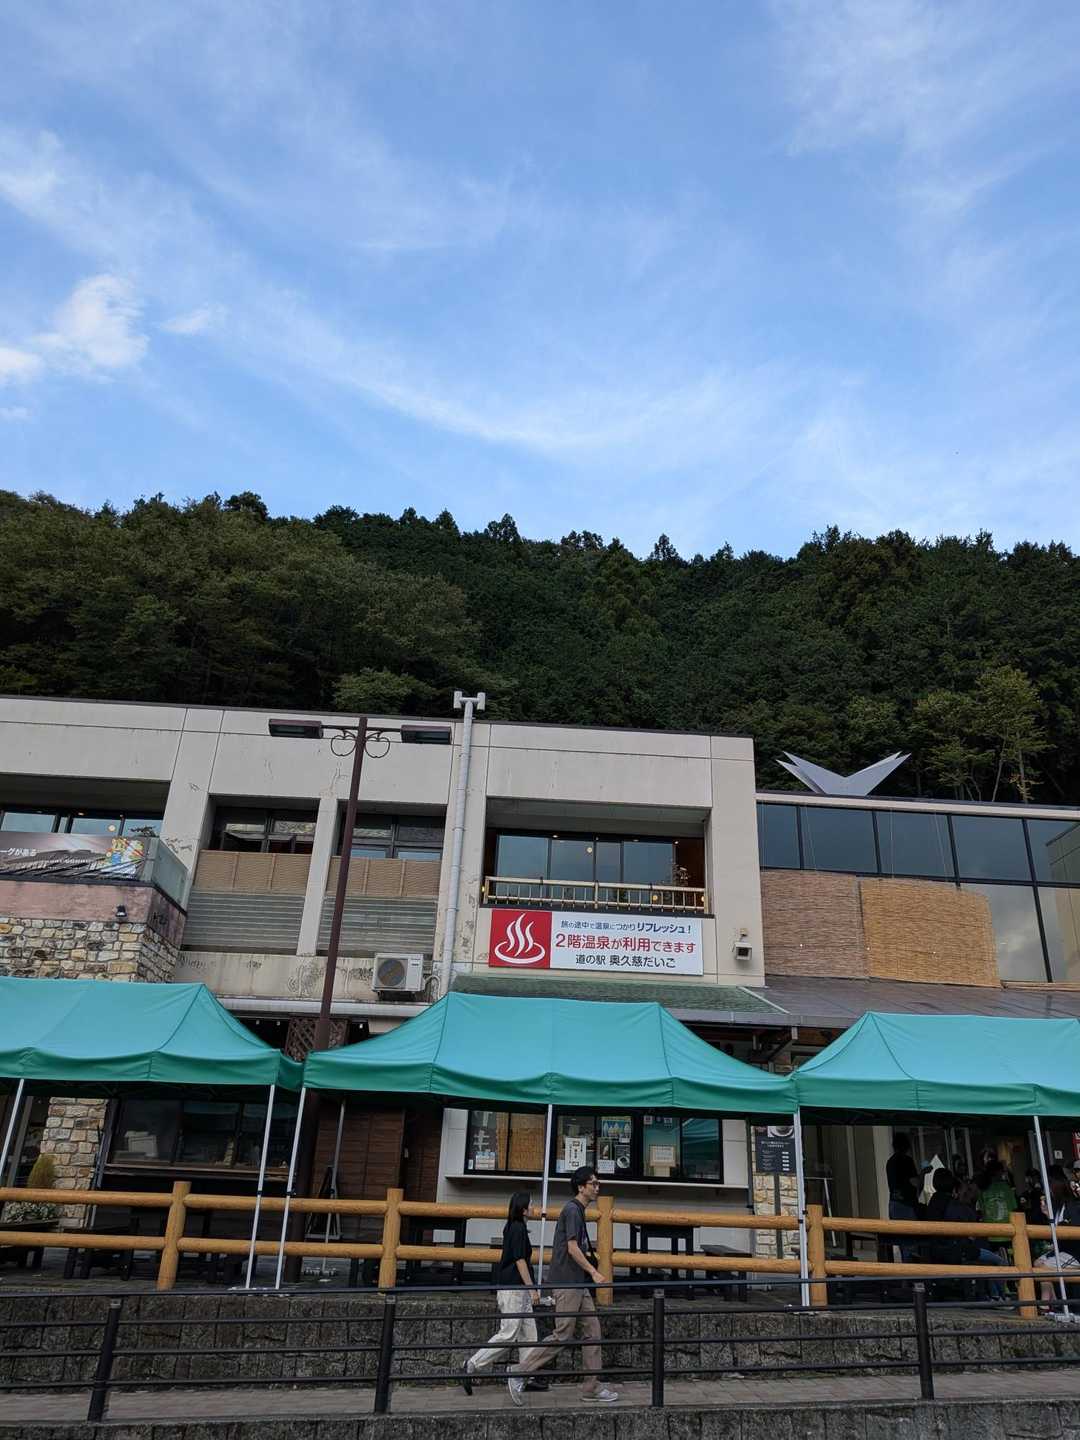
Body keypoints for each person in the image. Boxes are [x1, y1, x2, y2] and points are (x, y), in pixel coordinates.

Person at [508, 1167, 618, 1406]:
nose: (597, 1187)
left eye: (598, 1183)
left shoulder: (577, 1210)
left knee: (593, 1332)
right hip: (568, 1282)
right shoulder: (572, 1210)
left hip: (577, 1282)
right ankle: (519, 1371)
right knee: (563, 1334)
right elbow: (572, 1248)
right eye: (593, 1183)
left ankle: (591, 1387)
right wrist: (594, 1272)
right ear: (581, 1187)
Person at [462, 1191, 545, 1395]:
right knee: (509, 1333)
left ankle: (525, 1376)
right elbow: (520, 1260)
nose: (534, 1207)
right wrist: (532, 1289)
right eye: (531, 1204)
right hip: (514, 1288)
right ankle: (471, 1365)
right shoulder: (517, 1229)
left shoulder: (515, 1227)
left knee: (529, 1334)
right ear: (523, 1210)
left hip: (517, 1288)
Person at [926, 1169, 1007, 1300]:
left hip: (942, 1247)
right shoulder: (955, 1206)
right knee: (998, 1261)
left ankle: (994, 1295)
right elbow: (969, 1224)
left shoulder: (934, 1201)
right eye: (967, 1190)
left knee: (989, 1258)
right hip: (958, 1249)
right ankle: (998, 1296)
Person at [1035, 1165, 1080, 1306]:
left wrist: (1058, 1223)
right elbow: (1054, 1232)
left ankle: (1045, 1303)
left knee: (1043, 1268)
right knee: (1037, 1263)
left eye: (1048, 1188)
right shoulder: (1057, 1207)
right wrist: (1047, 1215)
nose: (1046, 1192)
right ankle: (1053, 1301)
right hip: (1063, 1249)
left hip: (1075, 1253)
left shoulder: (1073, 1207)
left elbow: (1072, 1229)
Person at [886, 1133, 920, 1261]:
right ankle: (911, 1267)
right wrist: (923, 1174)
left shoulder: (890, 1162)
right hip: (906, 1204)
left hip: (894, 1203)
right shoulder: (907, 1161)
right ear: (907, 1146)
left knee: (902, 1241)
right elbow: (915, 1182)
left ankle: (905, 1268)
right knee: (911, 1243)